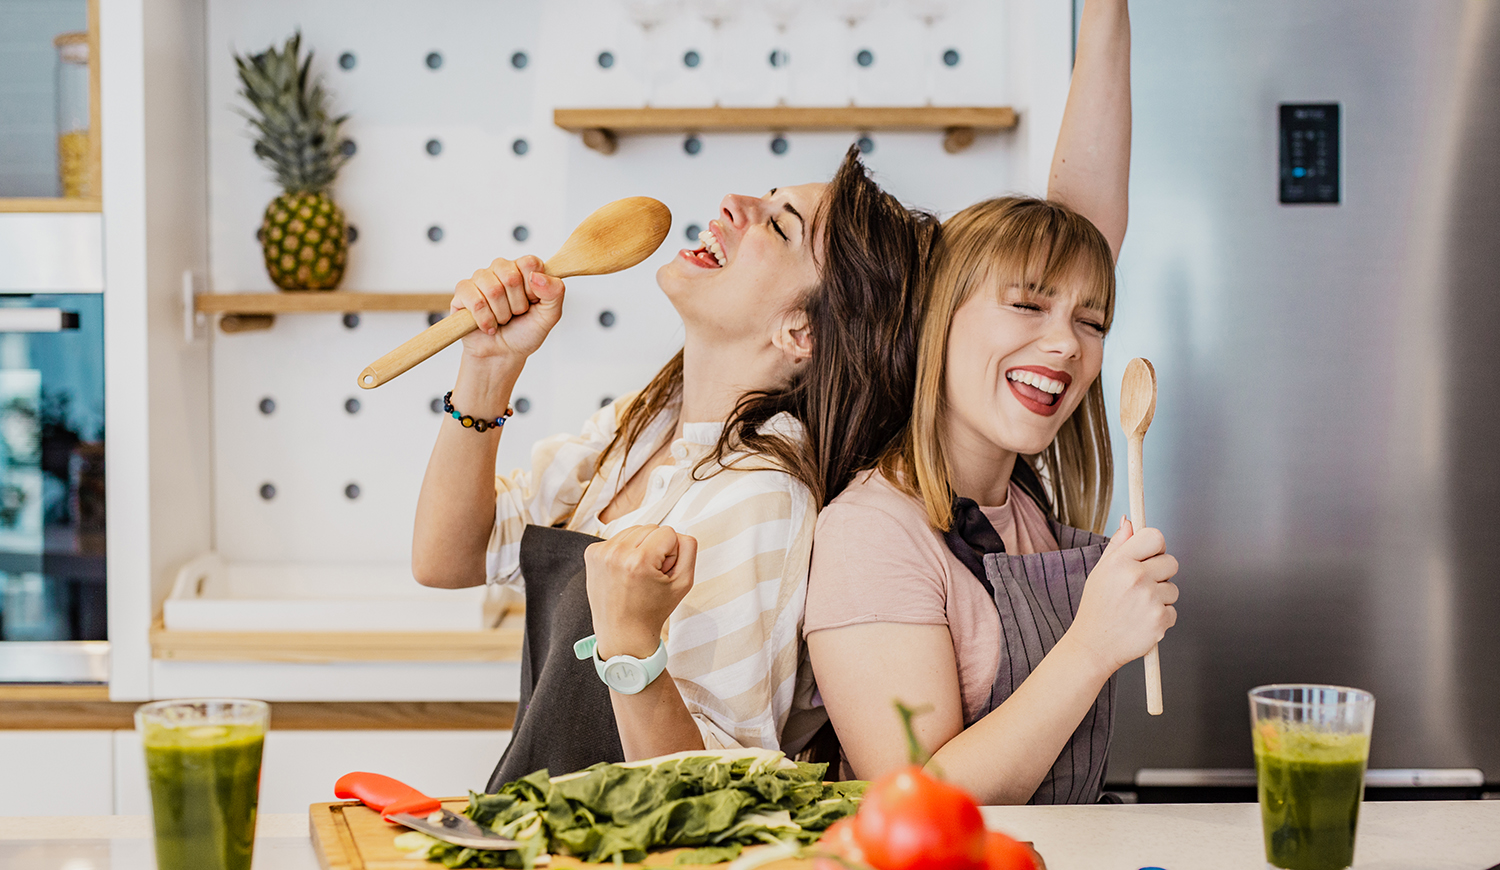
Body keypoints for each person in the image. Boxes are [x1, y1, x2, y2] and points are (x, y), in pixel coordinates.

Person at [411, 147, 938, 784]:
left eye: (778, 224)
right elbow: (450, 558)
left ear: (801, 331)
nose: (734, 204)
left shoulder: (763, 496)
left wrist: (632, 643)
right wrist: (487, 367)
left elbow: (717, 790)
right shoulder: (646, 421)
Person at [805, 0, 1180, 805]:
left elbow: (1085, 223)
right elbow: (913, 806)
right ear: (939, 317)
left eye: (1092, 321)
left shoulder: (1019, 504)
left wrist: (1107, 11)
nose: (1066, 344)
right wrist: (1093, 644)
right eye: (1028, 305)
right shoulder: (870, 534)